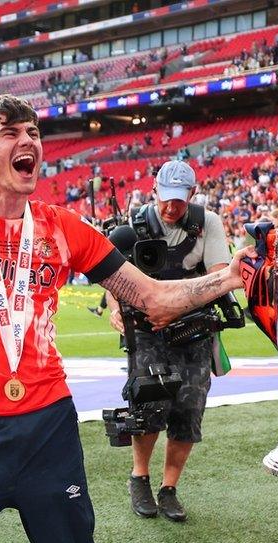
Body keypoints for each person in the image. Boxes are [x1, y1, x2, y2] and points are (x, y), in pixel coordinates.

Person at [0, 10, 251, 543]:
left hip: (48, 427)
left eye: (35, 134)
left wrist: (229, 275)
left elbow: (150, 298)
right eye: (11, 133)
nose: (29, 142)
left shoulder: (64, 227)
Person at [106, 159, 232, 523]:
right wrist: (116, 307)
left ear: (192, 194)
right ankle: (140, 478)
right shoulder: (134, 224)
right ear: (154, 191)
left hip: (193, 328)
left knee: (189, 409)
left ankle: (169, 488)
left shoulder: (207, 223)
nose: (171, 206)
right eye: (165, 198)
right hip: (147, 329)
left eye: (179, 199)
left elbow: (219, 278)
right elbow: (110, 274)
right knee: (149, 404)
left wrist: (173, 302)